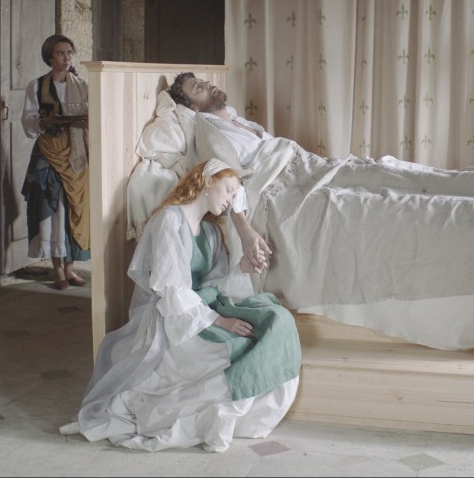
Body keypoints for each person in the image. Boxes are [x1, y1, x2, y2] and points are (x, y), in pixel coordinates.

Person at [166, 72, 474, 363]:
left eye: (203, 81)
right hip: (286, 199)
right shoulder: (207, 130)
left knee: (412, 178)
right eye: (197, 88)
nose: (207, 85)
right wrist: (245, 230)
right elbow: (225, 181)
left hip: (312, 169)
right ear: (190, 107)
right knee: (403, 209)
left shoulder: (236, 119)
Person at [60, 159, 301, 453]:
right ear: (207, 181)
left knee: (276, 318)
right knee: (239, 345)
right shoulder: (169, 220)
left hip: (201, 308)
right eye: (227, 190)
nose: (230, 200)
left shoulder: (211, 232)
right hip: (173, 316)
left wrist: (242, 268)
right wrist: (218, 321)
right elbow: (171, 289)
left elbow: (213, 285)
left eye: (234, 194)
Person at [20, 34, 91, 290]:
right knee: (53, 206)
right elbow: (28, 122)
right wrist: (43, 122)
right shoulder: (37, 86)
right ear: (50, 58)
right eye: (60, 53)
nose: (66, 57)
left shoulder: (82, 85)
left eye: (69, 52)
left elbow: (92, 115)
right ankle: (57, 269)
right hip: (49, 153)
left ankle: (70, 269)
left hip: (76, 153)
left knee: (73, 207)